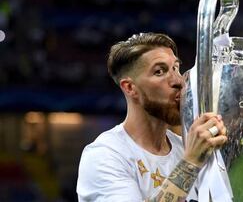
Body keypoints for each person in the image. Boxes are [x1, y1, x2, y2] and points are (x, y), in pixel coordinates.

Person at [76, 32, 228, 201]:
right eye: (159, 71)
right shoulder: (105, 155)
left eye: (176, 68)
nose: (179, 81)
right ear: (130, 88)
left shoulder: (185, 147)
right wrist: (190, 162)